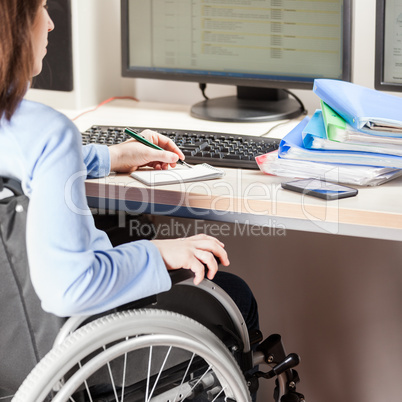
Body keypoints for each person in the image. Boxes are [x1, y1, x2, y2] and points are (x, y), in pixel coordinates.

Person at [0, 0, 258, 329]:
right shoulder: (50, 132)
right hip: (78, 347)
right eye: (41, 8)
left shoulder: (22, 128)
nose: (50, 24)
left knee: (128, 222)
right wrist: (160, 252)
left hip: (12, 347)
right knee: (236, 294)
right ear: (14, 26)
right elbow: (69, 289)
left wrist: (113, 156)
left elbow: (29, 155)